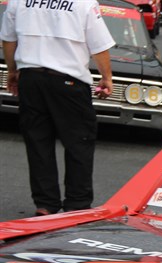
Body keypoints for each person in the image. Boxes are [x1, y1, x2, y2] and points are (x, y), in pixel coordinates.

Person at [1, 0, 115, 217]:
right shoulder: (84, 3)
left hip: (31, 77)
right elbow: (99, 45)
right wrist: (106, 77)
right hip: (69, 81)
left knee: (38, 141)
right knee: (79, 141)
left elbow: (8, 39)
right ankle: (77, 203)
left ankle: (45, 203)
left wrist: (12, 71)